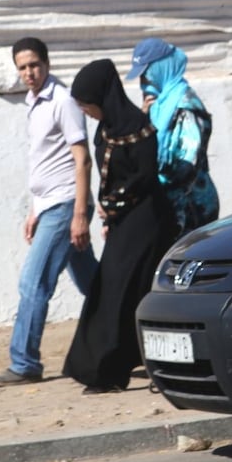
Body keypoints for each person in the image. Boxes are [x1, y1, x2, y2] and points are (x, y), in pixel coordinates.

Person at [0, 37, 98, 388]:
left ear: (47, 64)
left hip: (66, 205)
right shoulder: (33, 102)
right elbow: (44, 160)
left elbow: (81, 158)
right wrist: (34, 209)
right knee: (95, 285)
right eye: (22, 67)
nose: (28, 73)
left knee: (33, 283)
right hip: (50, 205)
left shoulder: (62, 101)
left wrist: (79, 213)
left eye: (34, 65)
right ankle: (130, 341)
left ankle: (25, 363)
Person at [63, 58, 178, 394]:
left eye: (88, 104)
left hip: (147, 223)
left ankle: (143, 371)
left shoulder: (138, 128)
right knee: (110, 293)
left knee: (135, 295)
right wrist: (109, 211)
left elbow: (142, 179)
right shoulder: (107, 129)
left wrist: (111, 206)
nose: (85, 112)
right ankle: (101, 371)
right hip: (123, 225)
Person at [125, 38, 219, 237]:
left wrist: (150, 183)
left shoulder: (186, 105)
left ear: (161, 68)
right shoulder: (159, 106)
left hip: (192, 207)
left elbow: (186, 164)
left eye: (146, 75)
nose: (144, 83)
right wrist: (143, 120)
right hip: (169, 206)